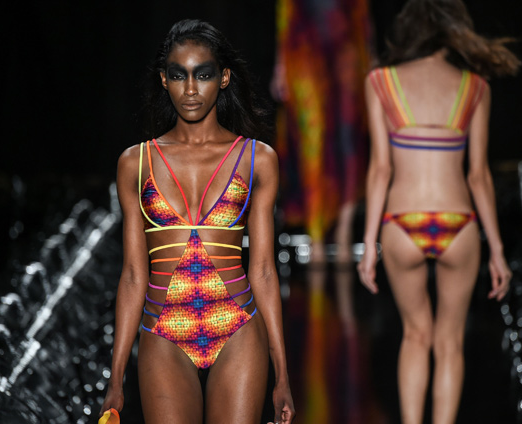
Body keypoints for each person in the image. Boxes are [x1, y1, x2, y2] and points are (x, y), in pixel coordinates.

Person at [100, 19, 295, 424]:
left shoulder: (257, 159)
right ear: (164, 80)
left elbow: (262, 269)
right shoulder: (135, 163)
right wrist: (115, 379)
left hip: (238, 327)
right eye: (178, 75)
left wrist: (283, 375)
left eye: (203, 75)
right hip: (163, 332)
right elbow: (133, 274)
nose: (190, 89)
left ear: (223, 78)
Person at [357, 1, 520, 423]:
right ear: (453, 30)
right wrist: (497, 250)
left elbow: (380, 170)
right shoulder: (475, 87)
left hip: (402, 223)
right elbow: (478, 176)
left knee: (415, 335)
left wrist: (369, 244)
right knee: (450, 343)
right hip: (458, 223)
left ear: (409, 29)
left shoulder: (381, 82)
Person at [271, 0, 373, 265]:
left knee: (349, 140)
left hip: (347, 46)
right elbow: (286, 13)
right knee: (312, 141)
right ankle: (315, 233)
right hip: (305, 47)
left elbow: (362, 13)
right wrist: (281, 66)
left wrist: (370, 59)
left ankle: (344, 228)